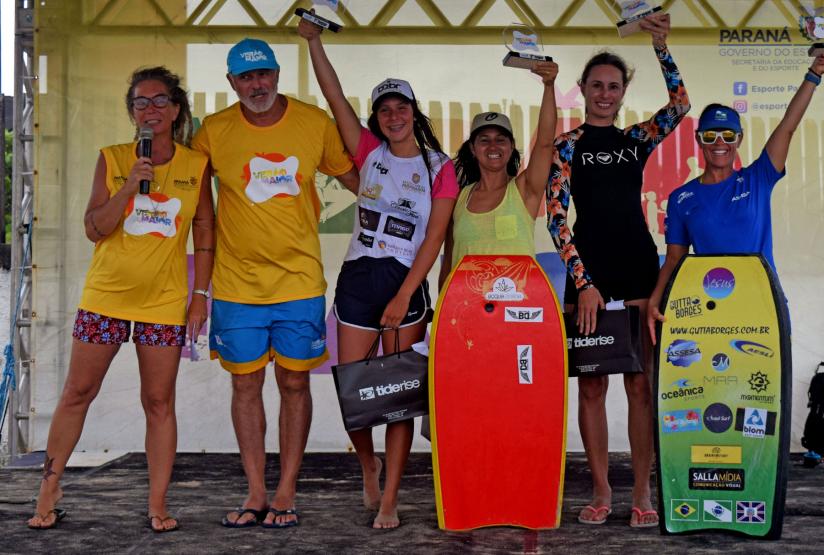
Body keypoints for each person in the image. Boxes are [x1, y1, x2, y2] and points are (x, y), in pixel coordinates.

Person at [27, 67, 214, 532]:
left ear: (175, 108)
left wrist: (200, 295)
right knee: (77, 393)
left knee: (158, 402)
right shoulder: (112, 159)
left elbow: (206, 235)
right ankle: (49, 488)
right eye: (139, 103)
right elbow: (95, 229)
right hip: (106, 299)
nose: (149, 110)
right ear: (131, 112)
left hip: (164, 303)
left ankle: (157, 504)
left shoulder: (196, 165)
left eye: (158, 101)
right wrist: (129, 186)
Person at [192, 38, 359, 529]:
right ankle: (256, 491)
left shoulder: (313, 123)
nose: (257, 84)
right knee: (245, 385)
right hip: (237, 285)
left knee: (293, 382)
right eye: (246, 78)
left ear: (278, 74)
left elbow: (360, 182)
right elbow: (194, 205)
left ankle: (286, 490)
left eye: (263, 74)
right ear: (231, 83)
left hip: (299, 282)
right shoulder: (212, 132)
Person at [299, 18, 458, 529]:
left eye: (401, 107)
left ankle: (390, 498)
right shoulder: (368, 152)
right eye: (384, 110)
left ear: (415, 112)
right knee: (356, 394)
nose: (393, 116)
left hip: (404, 284)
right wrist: (313, 42)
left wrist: (405, 295)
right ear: (377, 118)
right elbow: (334, 97)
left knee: (397, 399)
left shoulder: (441, 166)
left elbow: (433, 240)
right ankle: (367, 465)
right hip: (357, 279)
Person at [545, 13, 690, 528]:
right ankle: (603, 490)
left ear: (623, 91)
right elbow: (557, 218)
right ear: (581, 89)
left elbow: (680, 106)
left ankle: (643, 491)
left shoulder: (636, 140)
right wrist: (584, 284)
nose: (604, 93)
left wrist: (660, 45)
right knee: (590, 388)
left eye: (613, 86)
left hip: (636, 271)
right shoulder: (566, 146)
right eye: (596, 85)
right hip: (588, 276)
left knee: (639, 384)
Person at [647, 52, 824, 342]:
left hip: (762, 302)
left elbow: (788, 125)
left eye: (727, 135)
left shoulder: (757, 177)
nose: (720, 143)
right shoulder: (681, 198)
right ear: (699, 140)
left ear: (739, 139)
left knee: (767, 387)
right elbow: (675, 259)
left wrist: (813, 76)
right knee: (713, 385)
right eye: (710, 136)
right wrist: (655, 301)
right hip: (709, 307)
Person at [439, 61, 558, 284]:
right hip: (467, 307)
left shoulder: (524, 190)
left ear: (511, 146)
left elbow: (544, 143)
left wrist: (549, 86)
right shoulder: (459, 198)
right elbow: (448, 263)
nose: (493, 147)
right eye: (484, 140)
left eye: (500, 140)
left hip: (516, 308)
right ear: (473, 149)